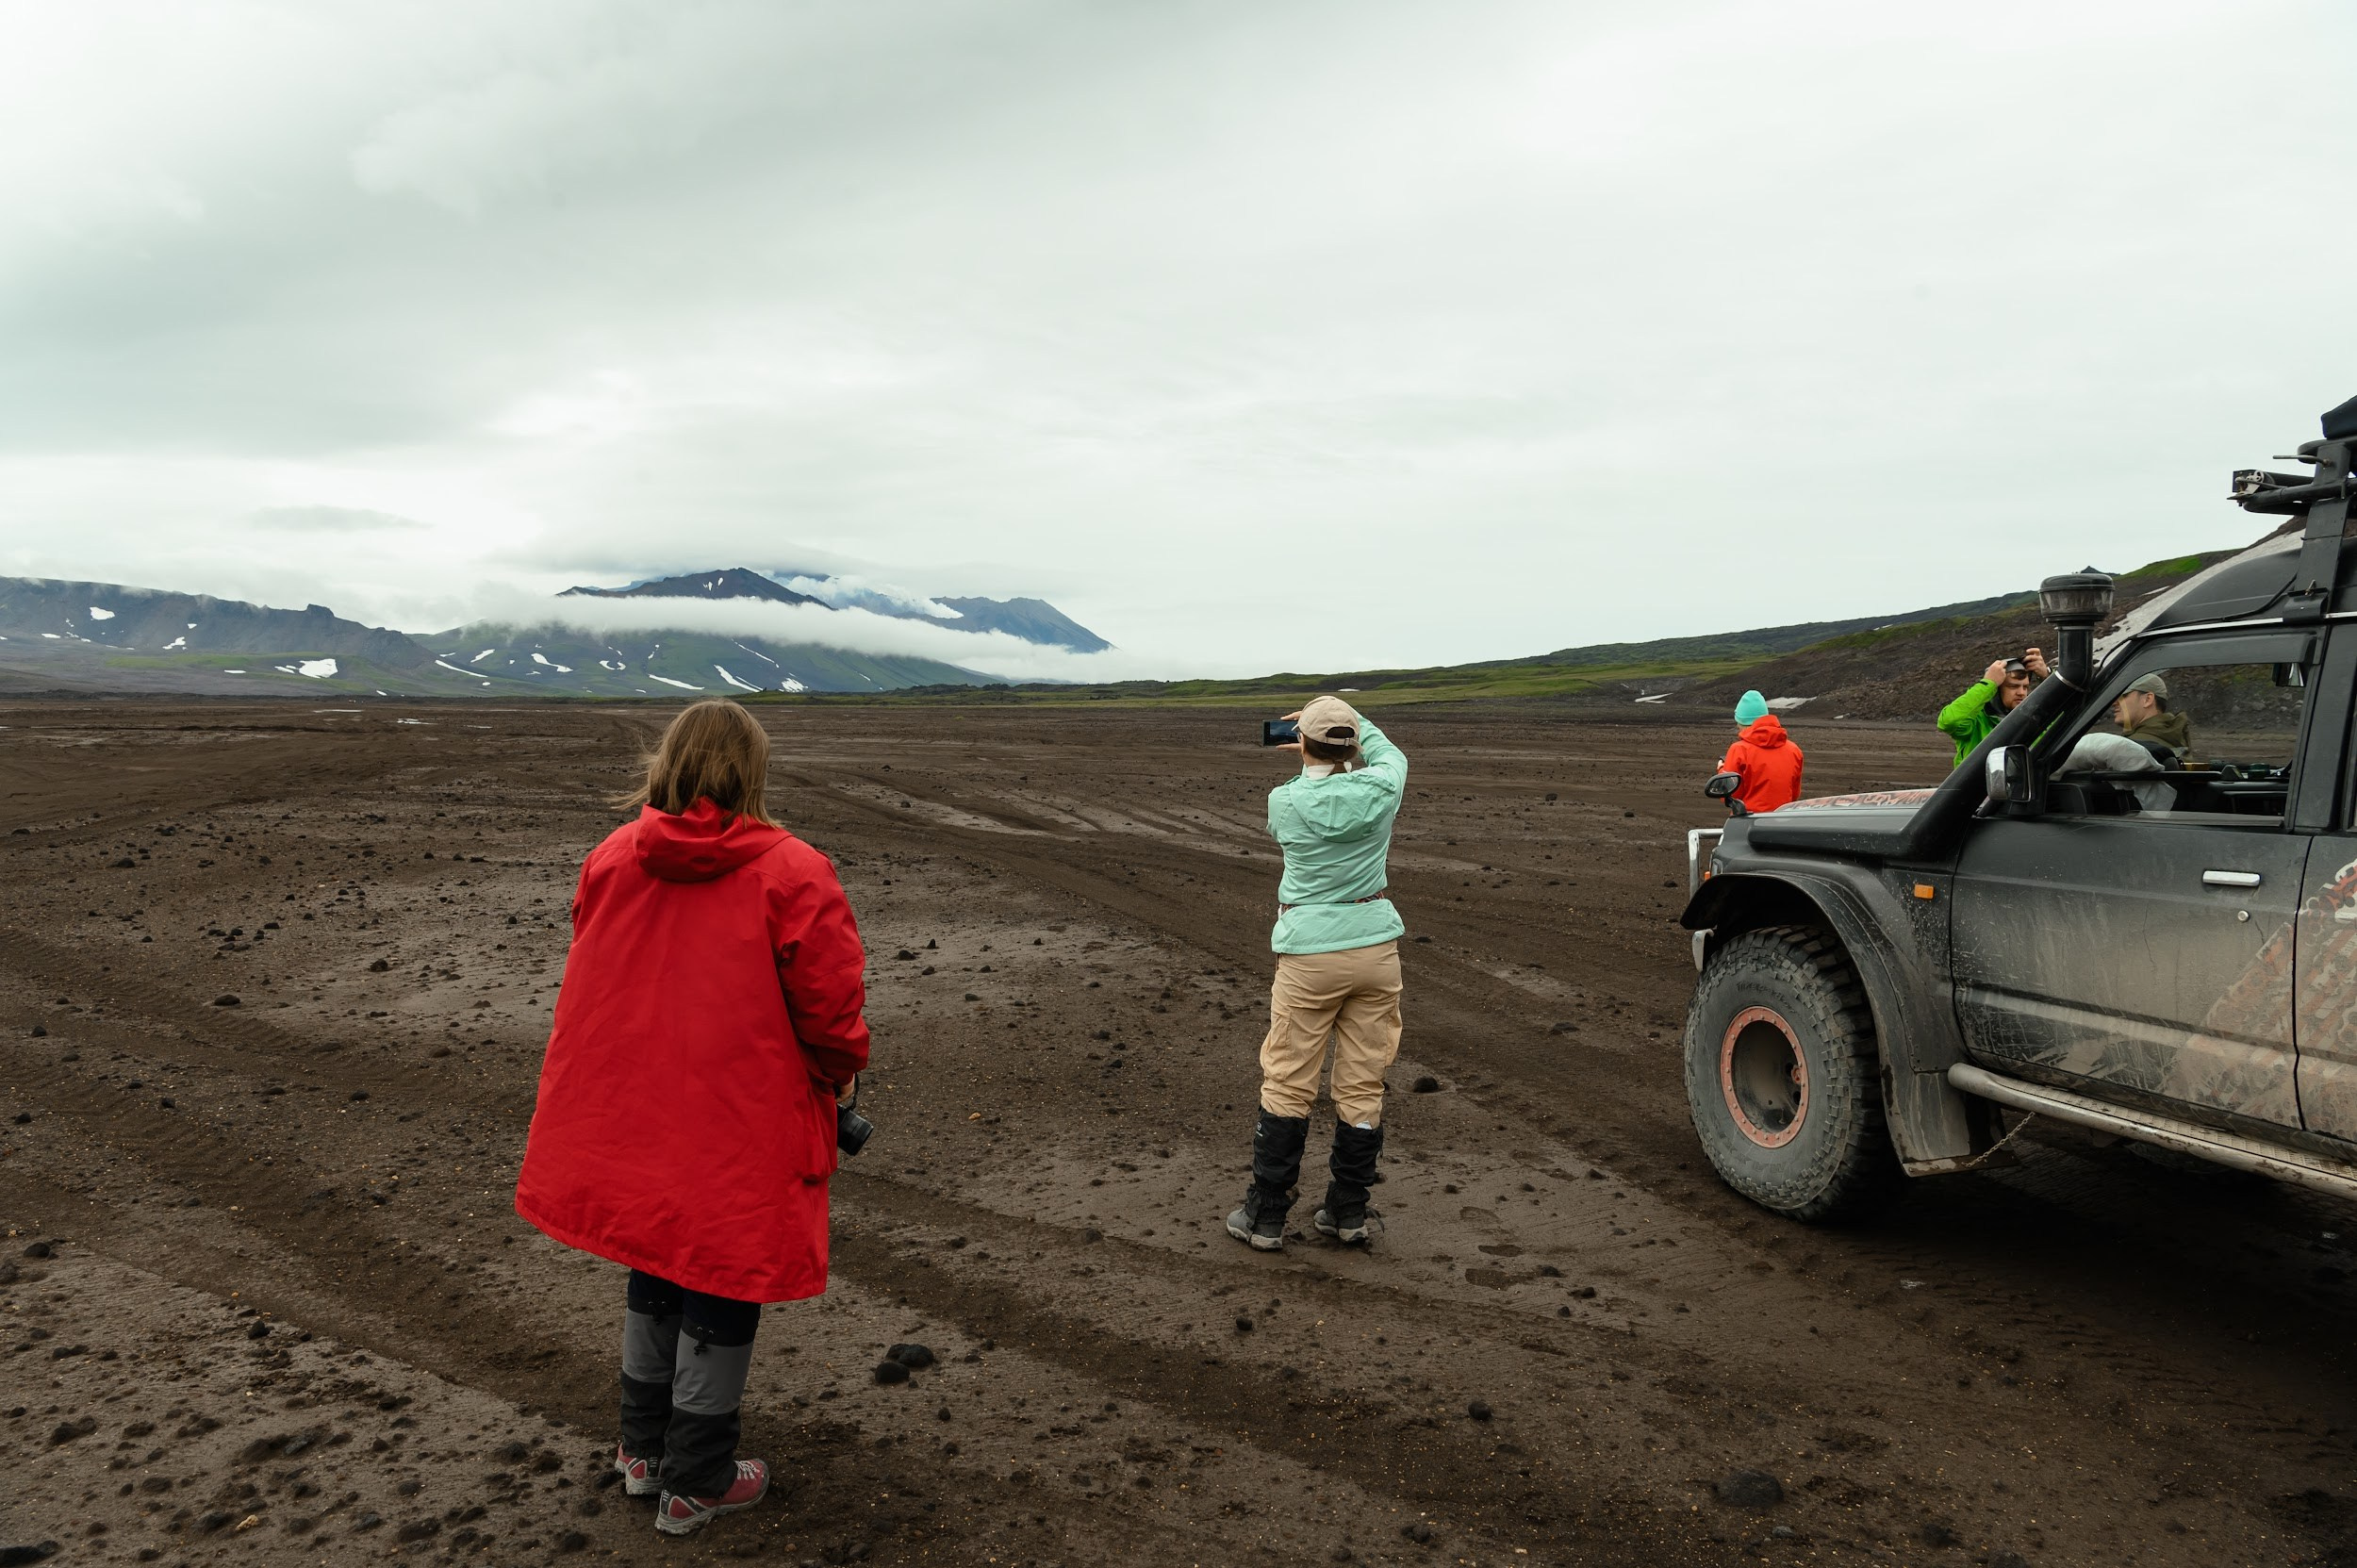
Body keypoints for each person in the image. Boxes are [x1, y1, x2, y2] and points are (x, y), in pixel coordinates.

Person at [514, 700, 870, 1538]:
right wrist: (839, 1075)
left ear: (665, 761)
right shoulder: (793, 870)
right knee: (721, 1266)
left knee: (658, 1252)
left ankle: (642, 1453)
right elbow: (831, 1009)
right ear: (753, 771)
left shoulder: (610, 857)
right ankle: (699, 1475)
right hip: (737, 1112)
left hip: (636, 1102)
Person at [1228, 695, 1407, 1253]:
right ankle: (1348, 1211)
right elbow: (1389, 756)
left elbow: (1314, 784)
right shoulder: (1382, 788)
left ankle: (1267, 1214)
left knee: (1288, 1078)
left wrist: (1316, 736)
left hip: (1309, 955)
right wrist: (1351, 719)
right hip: (1376, 949)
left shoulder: (1285, 803)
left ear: (1299, 742)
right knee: (1363, 1080)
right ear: (1354, 744)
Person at [1937, 647, 2051, 766]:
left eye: (2025, 687)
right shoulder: (1977, 722)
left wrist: (2047, 678)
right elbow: (1950, 721)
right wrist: (1988, 684)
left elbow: (2066, 718)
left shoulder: (2034, 719)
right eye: (2013, 687)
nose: (2021, 693)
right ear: (1996, 690)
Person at [1716, 690, 1805, 813]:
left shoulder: (1739, 750)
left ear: (1743, 722)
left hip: (1749, 825)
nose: (1737, 726)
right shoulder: (1794, 750)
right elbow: (1794, 794)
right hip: (1783, 824)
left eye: (1738, 721)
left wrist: (1722, 771)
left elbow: (1731, 795)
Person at [2112, 673, 2192, 763]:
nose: (2114, 703)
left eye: (2124, 696)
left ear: (2148, 699)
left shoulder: (2136, 747)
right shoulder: (2173, 737)